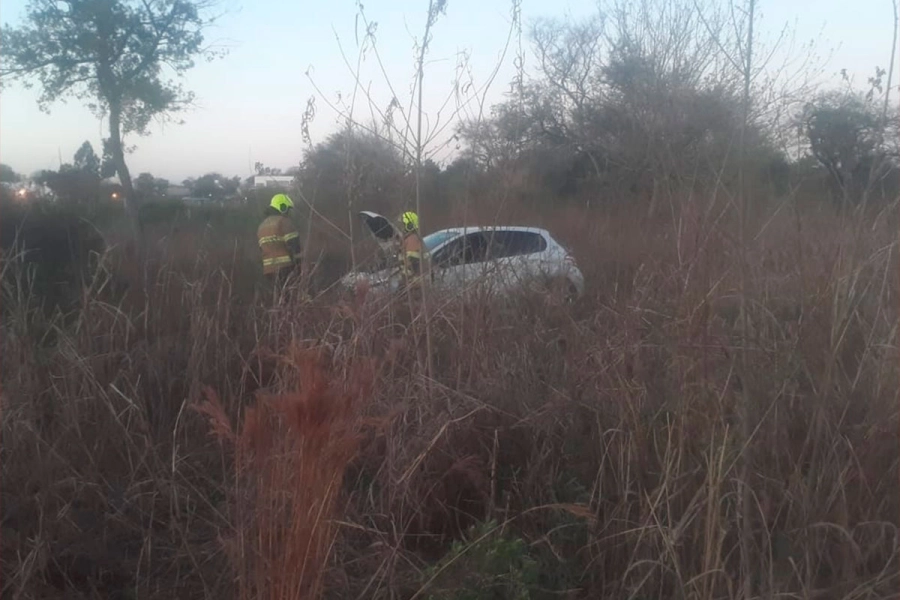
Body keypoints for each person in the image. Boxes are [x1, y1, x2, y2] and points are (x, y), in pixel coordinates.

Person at [257, 193, 301, 290]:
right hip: (285, 268)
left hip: (268, 271)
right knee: (289, 297)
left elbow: (261, 249)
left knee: (278, 298)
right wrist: (299, 267)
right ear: (283, 207)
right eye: (289, 209)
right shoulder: (284, 222)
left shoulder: (262, 226)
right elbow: (295, 246)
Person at [398, 211, 428, 288]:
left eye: (403, 225)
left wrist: (402, 283)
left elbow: (412, 265)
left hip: (415, 284)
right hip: (415, 283)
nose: (401, 228)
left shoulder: (412, 240)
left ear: (409, 226)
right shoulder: (414, 238)